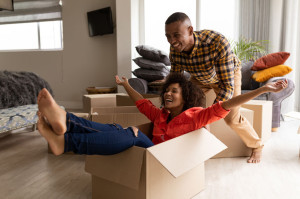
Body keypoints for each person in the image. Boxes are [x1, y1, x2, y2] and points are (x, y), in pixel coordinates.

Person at [37, 73, 287, 163]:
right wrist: (125, 83)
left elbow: (227, 105)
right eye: (166, 90)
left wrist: (264, 90)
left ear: (185, 96)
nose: (167, 93)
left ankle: (67, 141)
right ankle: (66, 122)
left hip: (165, 159)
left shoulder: (197, 116)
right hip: (154, 151)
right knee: (116, 127)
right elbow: (141, 102)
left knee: (133, 134)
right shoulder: (160, 115)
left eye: (173, 91)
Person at [165, 12, 267, 163]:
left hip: (225, 77)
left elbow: (226, 87)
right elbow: (175, 81)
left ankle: (257, 146)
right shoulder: (175, 49)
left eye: (176, 35)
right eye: (168, 36)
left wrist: (207, 119)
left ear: (190, 31)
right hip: (200, 78)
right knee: (186, 109)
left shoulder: (217, 42)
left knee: (232, 119)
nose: (172, 41)